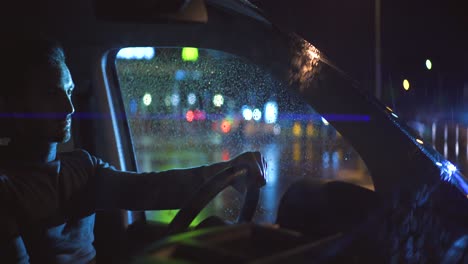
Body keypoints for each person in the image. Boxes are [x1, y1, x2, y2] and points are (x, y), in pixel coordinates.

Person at [0, 33, 267, 263]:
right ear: (14, 105)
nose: (69, 108)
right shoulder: (7, 189)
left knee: (213, 233)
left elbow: (148, 189)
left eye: (69, 92)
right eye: (51, 94)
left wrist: (229, 170)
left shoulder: (82, 166)